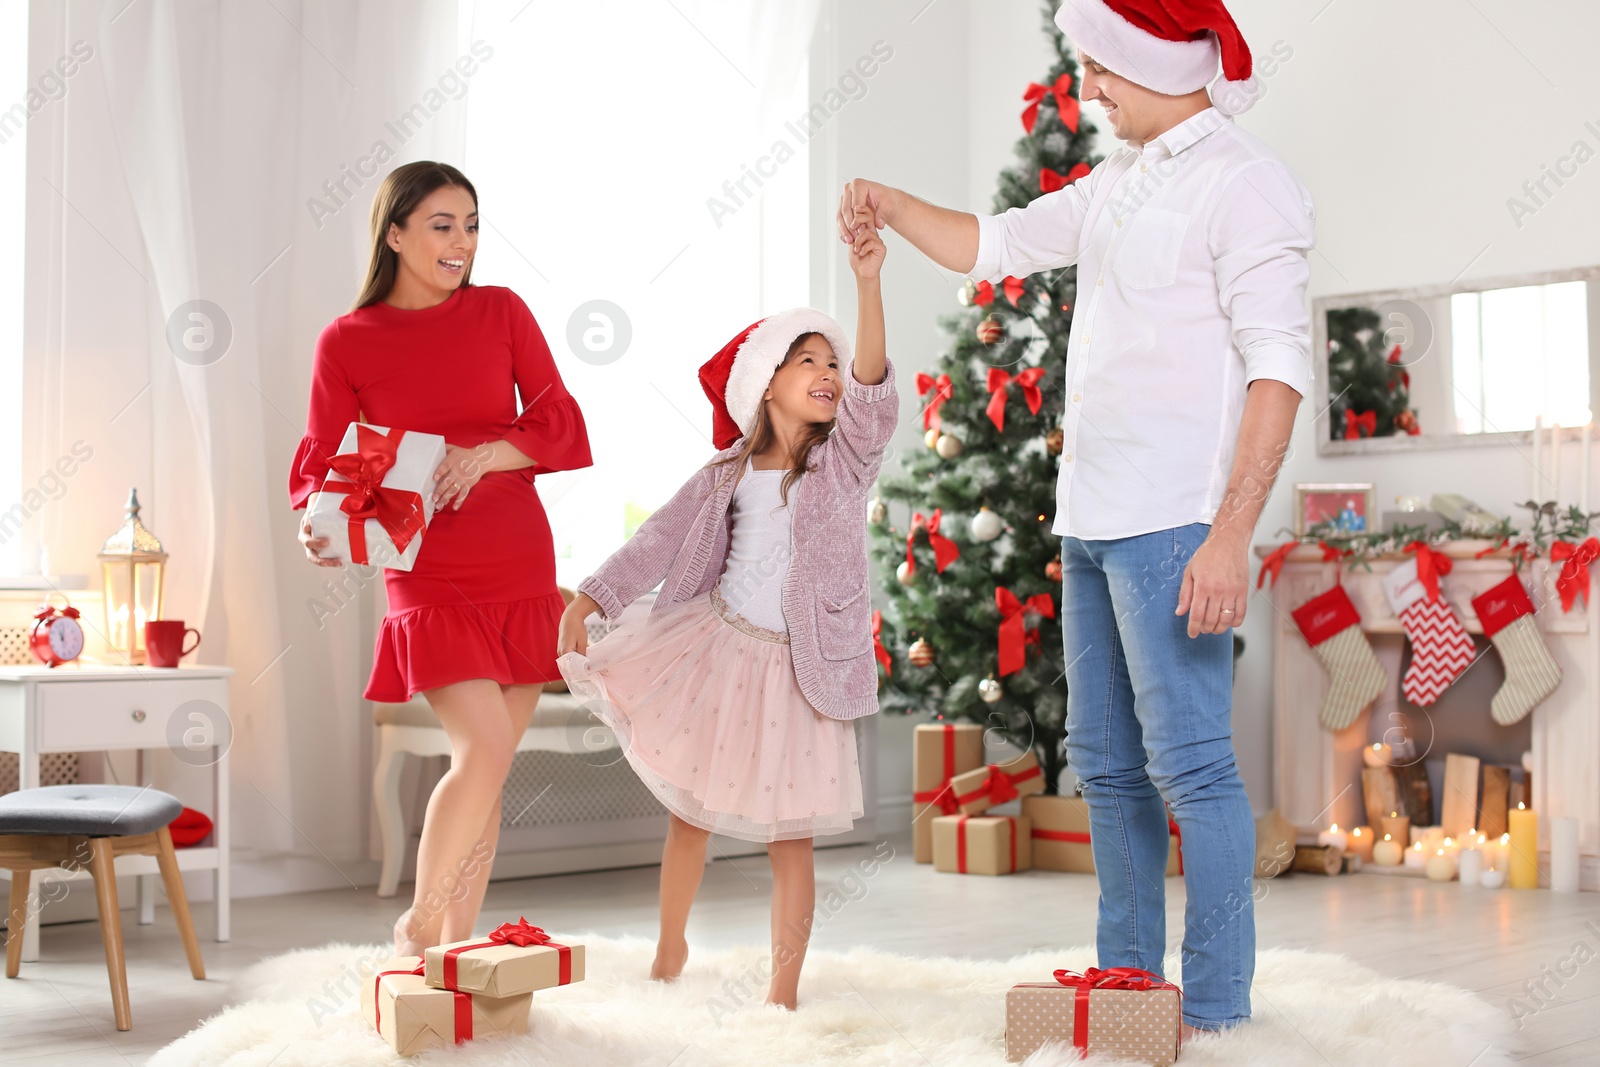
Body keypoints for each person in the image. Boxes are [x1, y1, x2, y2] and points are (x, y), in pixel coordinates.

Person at [837, 0, 1313, 1038]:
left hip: (1176, 519)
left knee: (1191, 763)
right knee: (1099, 760)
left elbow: (1279, 366)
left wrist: (1231, 530)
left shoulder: (1245, 184)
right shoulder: (1116, 185)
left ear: (1150, 62)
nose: (1087, 91)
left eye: (1099, 69)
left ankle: (1222, 1004)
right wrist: (888, 201)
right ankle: (1132, 987)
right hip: (1088, 520)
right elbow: (991, 242)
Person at [555, 228, 896, 1011]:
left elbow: (874, 394)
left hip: (802, 668)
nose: (830, 373)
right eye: (808, 359)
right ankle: (670, 944)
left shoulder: (845, 461)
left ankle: (782, 990)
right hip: (721, 652)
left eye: (833, 363)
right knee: (689, 813)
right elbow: (659, 540)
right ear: (765, 382)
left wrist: (868, 283)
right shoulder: (725, 474)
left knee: (792, 835)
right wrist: (592, 595)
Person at [289, 161, 593, 955]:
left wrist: (489, 454)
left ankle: (456, 960)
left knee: (486, 767)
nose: (461, 242)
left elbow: (556, 417)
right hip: (422, 565)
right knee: (485, 747)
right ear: (395, 234)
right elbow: (325, 458)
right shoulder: (347, 340)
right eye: (441, 225)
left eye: (471, 224)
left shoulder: (501, 311)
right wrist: (318, 521)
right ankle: (420, 922)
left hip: (516, 554)